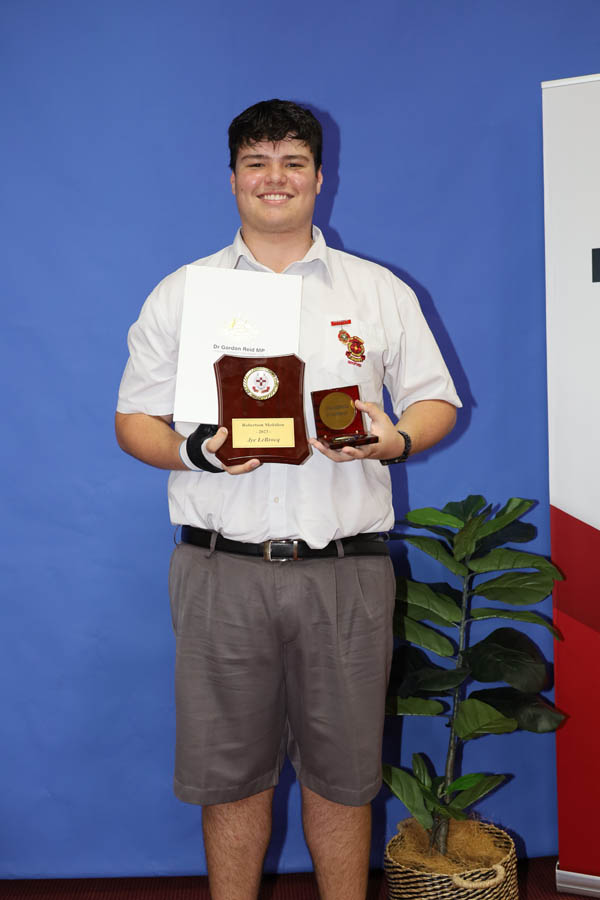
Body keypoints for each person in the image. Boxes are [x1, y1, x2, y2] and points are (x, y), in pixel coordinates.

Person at [115, 99, 461, 900]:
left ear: (320, 177)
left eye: (293, 162)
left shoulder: (377, 291)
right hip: (220, 571)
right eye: (257, 162)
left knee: (345, 782)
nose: (276, 178)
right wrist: (196, 450)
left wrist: (393, 439)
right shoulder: (183, 293)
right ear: (233, 178)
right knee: (230, 782)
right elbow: (134, 420)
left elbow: (435, 401)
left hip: (346, 572)